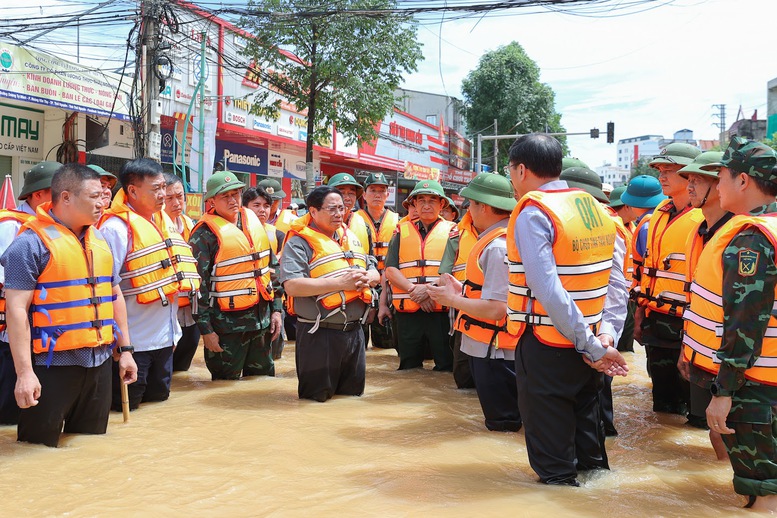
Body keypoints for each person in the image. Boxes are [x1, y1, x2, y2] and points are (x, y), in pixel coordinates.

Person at [505, 134, 628, 486]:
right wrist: (604, 337)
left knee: (555, 470)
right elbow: (617, 282)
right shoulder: (598, 210)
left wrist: (590, 345)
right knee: (590, 454)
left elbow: (548, 291)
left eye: (511, 171)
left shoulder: (535, 212)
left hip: (549, 346)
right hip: (592, 347)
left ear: (522, 169)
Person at [1, 163, 137, 447]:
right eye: (94, 196)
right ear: (65, 197)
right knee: (36, 450)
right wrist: (25, 374)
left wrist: (125, 350)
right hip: (50, 367)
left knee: (91, 447)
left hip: (99, 363)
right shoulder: (29, 245)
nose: (103, 203)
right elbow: (16, 312)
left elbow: (114, 296)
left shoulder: (100, 239)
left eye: (103, 195)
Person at [681, 138, 777, 511]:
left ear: (743, 181)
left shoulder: (752, 239)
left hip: (758, 390)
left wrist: (723, 392)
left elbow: (745, 325)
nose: (716, 186)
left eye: (720, 176)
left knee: (763, 494)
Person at [99, 158, 199, 410]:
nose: (163, 195)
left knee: (157, 409)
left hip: (165, 342)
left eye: (163, 187)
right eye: (155, 189)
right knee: (126, 409)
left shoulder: (164, 224)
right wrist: (123, 349)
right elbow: (106, 291)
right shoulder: (115, 229)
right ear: (132, 190)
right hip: (134, 346)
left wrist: (173, 334)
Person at [428, 172, 521, 431]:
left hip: (497, 350)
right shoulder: (498, 239)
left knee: (503, 425)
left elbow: (497, 309)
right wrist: (460, 289)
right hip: (492, 347)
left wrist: (453, 300)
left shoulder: (496, 246)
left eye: (472, 204)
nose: (468, 209)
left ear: (485, 207)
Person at [280, 185, 380, 401]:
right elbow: (292, 285)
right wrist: (339, 283)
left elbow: (371, 264)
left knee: (352, 400)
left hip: (355, 334)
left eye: (341, 208)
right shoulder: (298, 243)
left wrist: (372, 277)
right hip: (319, 334)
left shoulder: (349, 237)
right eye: (332, 209)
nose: (339, 214)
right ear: (313, 212)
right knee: (314, 403)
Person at [190, 171, 283, 380]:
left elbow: (271, 268)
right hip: (226, 328)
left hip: (262, 322)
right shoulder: (203, 235)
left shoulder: (252, 222)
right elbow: (197, 287)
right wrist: (206, 331)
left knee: (262, 383)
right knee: (225, 385)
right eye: (225, 196)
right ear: (212, 200)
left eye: (236, 194)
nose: (233, 200)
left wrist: (276, 310)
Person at [560, 166, 631, 437]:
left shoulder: (606, 225)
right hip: (575, 333)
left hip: (592, 334)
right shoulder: (556, 222)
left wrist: (607, 335)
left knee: (594, 407)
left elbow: (615, 286)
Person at [636, 143, 704, 421]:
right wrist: (640, 313)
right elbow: (644, 270)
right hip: (656, 324)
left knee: (696, 413)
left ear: (691, 176)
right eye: (660, 171)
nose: (662, 177)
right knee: (663, 410)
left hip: (688, 327)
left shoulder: (704, 219)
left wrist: (691, 338)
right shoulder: (660, 214)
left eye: (670, 171)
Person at [673, 151, 732, 457]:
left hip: (733, 360)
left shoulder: (740, 235)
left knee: (732, 433)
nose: (690, 186)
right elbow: (694, 298)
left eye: (698, 180)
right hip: (701, 353)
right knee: (715, 433)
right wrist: (687, 346)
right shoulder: (698, 232)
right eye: (689, 180)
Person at [0, 160, 59, 425]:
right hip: (9, 329)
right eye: (57, 192)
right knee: (8, 408)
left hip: (40, 330)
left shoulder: (51, 225)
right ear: (38, 195)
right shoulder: (11, 225)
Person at [385, 180, 456, 371]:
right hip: (408, 311)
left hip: (441, 312)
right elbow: (390, 270)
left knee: (445, 366)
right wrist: (414, 290)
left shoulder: (453, 232)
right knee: (408, 368)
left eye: (432, 200)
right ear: (413, 204)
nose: (426, 205)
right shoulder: (400, 231)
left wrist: (427, 291)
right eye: (421, 200)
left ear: (442, 204)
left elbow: (453, 270)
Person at [438, 191, 481, 389]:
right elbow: (444, 276)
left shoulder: (510, 232)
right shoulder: (457, 235)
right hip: (464, 310)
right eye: (471, 205)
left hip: (498, 311)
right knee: (464, 375)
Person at [161, 173, 201, 372]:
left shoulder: (189, 224)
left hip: (191, 309)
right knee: (165, 369)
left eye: (180, 196)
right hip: (168, 308)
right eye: (169, 198)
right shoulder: (155, 227)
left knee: (183, 370)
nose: (177, 203)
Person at [242, 186, 286, 360]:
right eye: (257, 205)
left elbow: (277, 274)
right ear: (244, 207)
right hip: (242, 308)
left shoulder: (276, 234)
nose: (262, 210)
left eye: (266, 206)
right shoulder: (231, 234)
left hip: (270, 303)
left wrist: (277, 309)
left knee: (273, 355)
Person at [356, 172, 398, 350]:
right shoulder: (353, 220)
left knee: (386, 345)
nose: (377, 194)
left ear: (388, 195)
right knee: (358, 342)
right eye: (373, 190)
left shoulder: (398, 221)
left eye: (382, 191)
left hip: (388, 286)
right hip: (361, 285)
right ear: (364, 194)